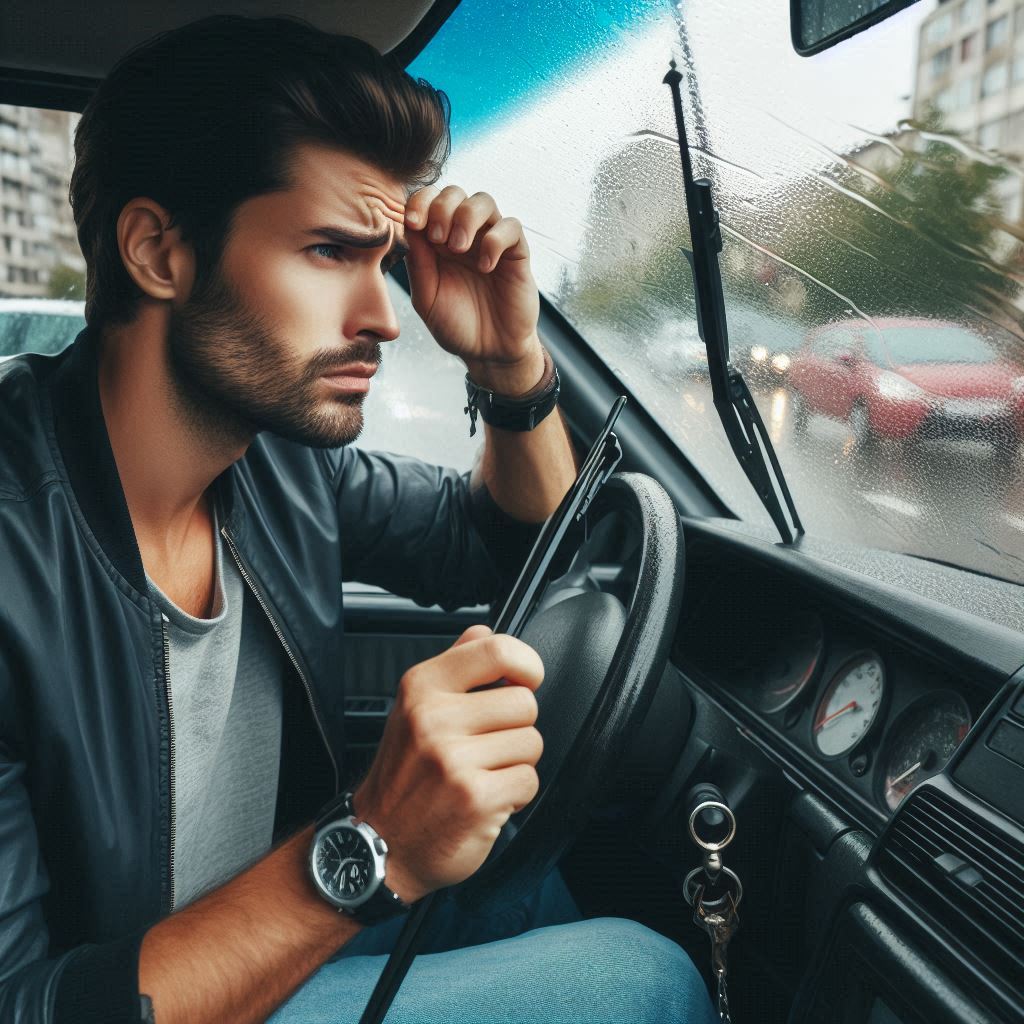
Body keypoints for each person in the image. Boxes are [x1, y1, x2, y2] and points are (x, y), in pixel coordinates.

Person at [0, 15, 715, 1024]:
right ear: (159, 251)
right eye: (331, 251)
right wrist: (370, 841)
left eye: (382, 259)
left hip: (251, 911)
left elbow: (521, 542)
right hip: (136, 989)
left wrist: (509, 369)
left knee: (534, 889)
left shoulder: (277, 464)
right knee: (645, 976)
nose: (383, 314)